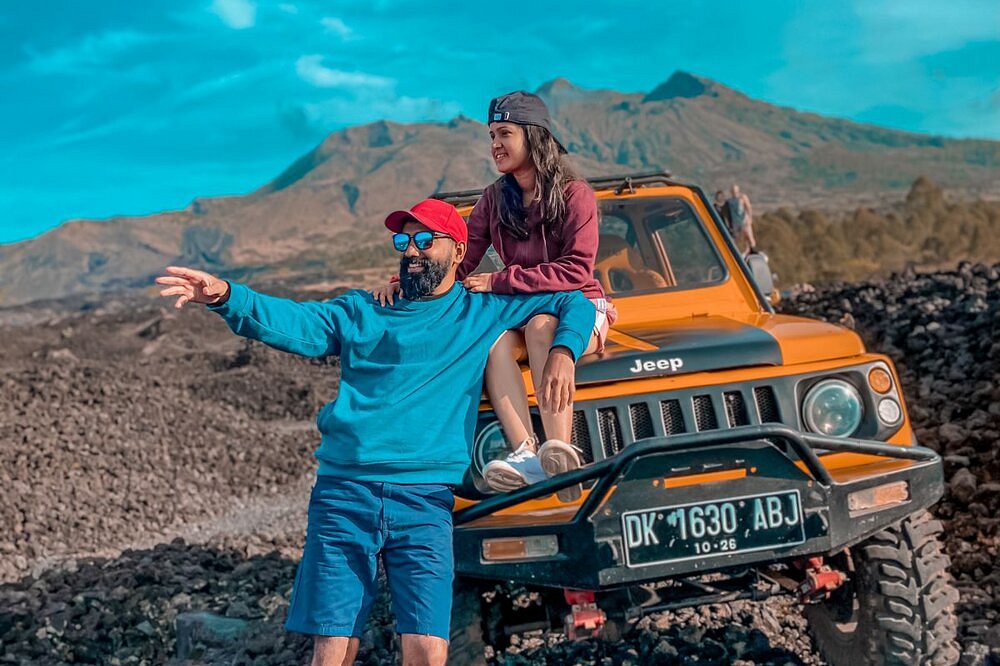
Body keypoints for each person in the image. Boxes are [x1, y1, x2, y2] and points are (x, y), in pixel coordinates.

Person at [155, 198, 595, 666]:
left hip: (425, 501)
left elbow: (574, 301)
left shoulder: (482, 311)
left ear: (458, 250)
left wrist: (563, 351)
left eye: (424, 240)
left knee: (427, 649)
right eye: (403, 241)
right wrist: (226, 295)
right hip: (345, 495)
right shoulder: (363, 310)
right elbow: (298, 323)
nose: (412, 250)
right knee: (333, 647)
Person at [374, 91, 615, 502]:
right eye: (491, 135)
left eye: (505, 133)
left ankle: (560, 451)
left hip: (580, 308)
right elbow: (461, 260)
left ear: (534, 136)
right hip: (523, 311)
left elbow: (576, 271)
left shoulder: (575, 195)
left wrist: (502, 280)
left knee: (542, 328)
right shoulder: (494, 199)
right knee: (493, 343)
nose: (495, 145)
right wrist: (412, 280)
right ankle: (526, 453)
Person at [727, 184, 756, 254]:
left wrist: (750, 218)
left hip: (744, 220)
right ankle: (737, 253)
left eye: (735, 190)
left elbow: (748, 208)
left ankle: (752, 250)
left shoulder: (742, 197)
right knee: (736, 239)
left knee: (748, 236)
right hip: (735, 222)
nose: (734, 192)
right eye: (733, 190)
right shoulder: (729, 201)